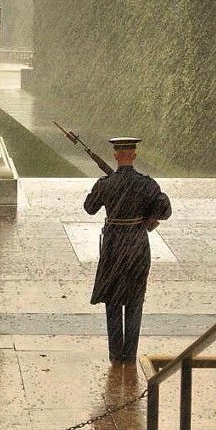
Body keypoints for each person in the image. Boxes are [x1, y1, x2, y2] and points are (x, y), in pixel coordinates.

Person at [84, 137, 172, 363]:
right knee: (134, 300)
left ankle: (115, 353)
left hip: (114, 245)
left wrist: (104, 187)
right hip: (136, 244)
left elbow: (90, 208)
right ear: (133, 155)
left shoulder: (105, 183)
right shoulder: (147, 184)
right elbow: (164, 210)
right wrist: (145, 214)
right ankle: (130, 353)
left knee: (113, 300)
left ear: (115, 156)